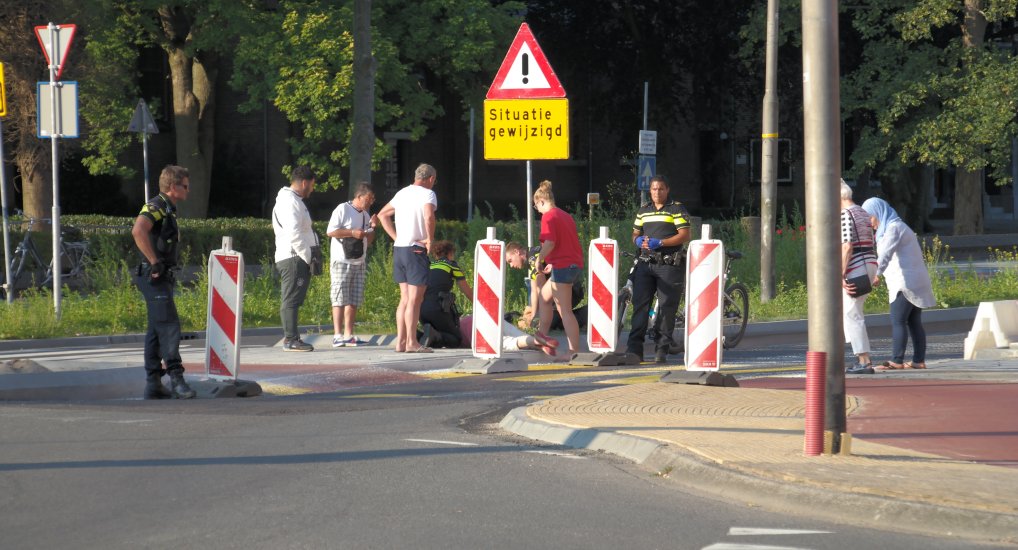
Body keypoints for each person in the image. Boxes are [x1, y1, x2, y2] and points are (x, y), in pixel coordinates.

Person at [131, 165, 196, 399]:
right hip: (154, 275)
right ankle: (177, 380)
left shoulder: (167, 208)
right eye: (185, 186)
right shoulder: (156, 206)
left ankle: (154, 383)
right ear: (173, 186)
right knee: (169, 326)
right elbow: (138, 231)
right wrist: (155, 262)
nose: (189, 190)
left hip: (160, 276)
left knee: (156, 330)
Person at [861, 197, 936, 371]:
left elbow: (886, 254)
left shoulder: (893, 229)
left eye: (870, 218)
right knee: (914, 322)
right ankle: (918, 361)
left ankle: (897, 360)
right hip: (915, 280)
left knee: (898, 320)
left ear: (878, 213)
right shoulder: (897, 226)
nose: (869, 223)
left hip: (905, 282)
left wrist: (876, 274)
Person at [624, 175, 691, 363]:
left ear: (667, 190)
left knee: (667, 308)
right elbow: (635, 233)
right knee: (640, 306)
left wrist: (661, 242)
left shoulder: (676, 208)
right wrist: (637, 240)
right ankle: (634, 350)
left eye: (660, 189)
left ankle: (661, 349)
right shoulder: (644, 210)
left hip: (669, 265)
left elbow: (685, 235)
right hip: (646, 264)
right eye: (654, 189)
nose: (657, 192)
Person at [377, 163, 438, 353]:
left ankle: (400, 342)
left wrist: (396, 237)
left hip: (400, 249)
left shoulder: (402, 193)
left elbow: (382, 214)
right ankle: (412, 342)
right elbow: (429, 216)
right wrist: (430, 239)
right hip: (416, 250)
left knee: (404, 299)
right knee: (414, 300)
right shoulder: (427, 194)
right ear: (431, 179)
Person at [532, 181, 584, 358]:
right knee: (544, 297)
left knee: (565, 311)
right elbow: (565, 243)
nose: (536, 209)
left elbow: (550, 242)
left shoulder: (548, 216)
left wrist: (539, 258)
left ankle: (573, 351)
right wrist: (552, 262)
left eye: (535, 205)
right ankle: (542, 337)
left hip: (563, 266)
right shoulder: (565, 215)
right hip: (571, 264)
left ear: (541, 201)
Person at [272, 165, 319, 352]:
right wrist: (308, 257)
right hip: (294, 256)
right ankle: (290, 339)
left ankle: (292, 338)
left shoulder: (292, 200)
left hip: (294, 255)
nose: (312, 189)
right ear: (305, 182)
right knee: (291, 298)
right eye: (312, 185)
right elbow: (295, 233)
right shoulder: (290, 202)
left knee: (292, 298)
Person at [326, 182, 377, 347]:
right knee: (339, 297)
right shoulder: (343, 209)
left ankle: (348, 334)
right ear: (359, 196)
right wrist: (352, 232)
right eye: (368, 199)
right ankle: (337, 335)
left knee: (353, 298)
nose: (370, 202)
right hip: (342, 259)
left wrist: (372, 229)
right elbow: (331, 231)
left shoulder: (365, 215)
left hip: (359, 261)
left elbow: (368, 241)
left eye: (372, 199)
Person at [840, 180, 879, 374]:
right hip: (869, 263)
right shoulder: (863, 212)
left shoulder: (845, 214)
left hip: (855, 266)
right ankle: (864, 358)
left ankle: (864, 360)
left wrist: (841, 273)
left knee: (851, 314)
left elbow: (847, 246)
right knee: (856, 312)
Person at [419, 240, 472, 348]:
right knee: (456, 339)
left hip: (421, 310)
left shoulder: (429, 265)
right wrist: (480, 306)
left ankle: (417, 335)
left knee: (434, 336)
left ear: (436, 254)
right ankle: (435, 335)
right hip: (438, 308)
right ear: (450, 253)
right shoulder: (452, 265)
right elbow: (466, 290)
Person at [459, 315, 559, 357]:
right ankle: (541, 343)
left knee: (506, 341)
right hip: (486, 317)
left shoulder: (460, 331)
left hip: (477, 330)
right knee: (515, 332)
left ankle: (534, 342)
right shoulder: (465, 319)